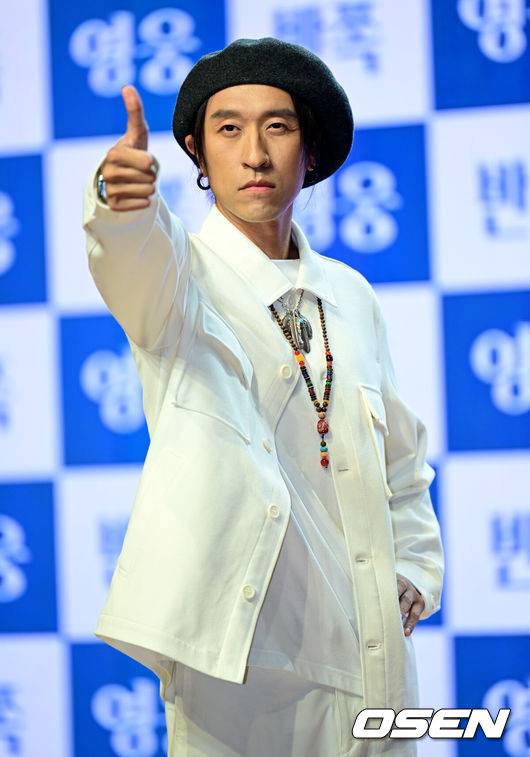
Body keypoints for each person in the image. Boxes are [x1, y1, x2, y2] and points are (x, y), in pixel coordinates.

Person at [83, 37, 444, 757]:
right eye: (229, 129)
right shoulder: (180, 274)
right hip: (240, 675)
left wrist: (414, 568)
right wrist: (119, 204)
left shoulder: (351, 295)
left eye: (277, 127)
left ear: (309, 151)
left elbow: (402, 465)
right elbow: (131, 253)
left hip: (370, 663)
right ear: (196, 152)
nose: (254, 153)